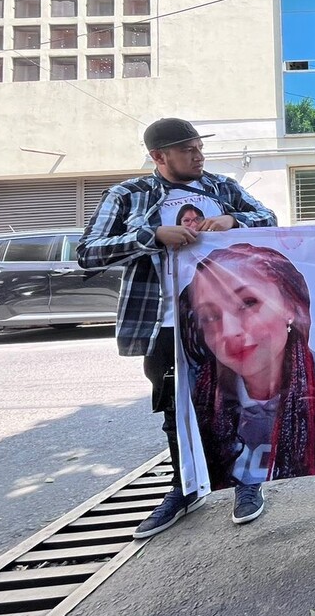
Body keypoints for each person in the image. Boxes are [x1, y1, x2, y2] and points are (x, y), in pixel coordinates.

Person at [78, 117, 278, 538]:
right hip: (163, 324)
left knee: (236, 403)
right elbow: (88, 252)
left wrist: (233, 222)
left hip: (224, 319)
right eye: (188, 150)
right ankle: (184, 489)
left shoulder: (221, 188)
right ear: (159, 156)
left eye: (199, 148)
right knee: (175, 412)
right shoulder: (128, 195)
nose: (199, 156)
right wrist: (151, 236)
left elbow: (269, 218)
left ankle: (246, 485)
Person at [180, 244, 315, 491]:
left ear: (290, 306)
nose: (230, 331)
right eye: (210, 317)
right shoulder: (197, 394)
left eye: (248, 302)